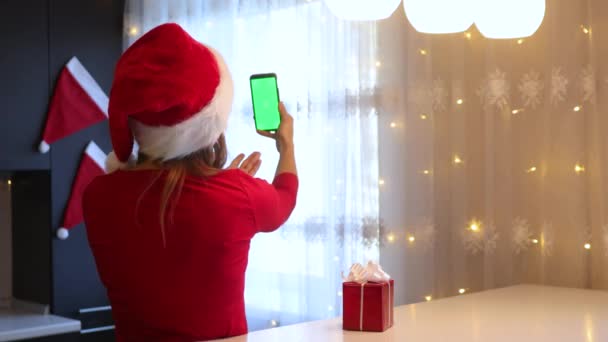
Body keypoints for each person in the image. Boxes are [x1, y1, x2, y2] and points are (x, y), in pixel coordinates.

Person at [82, 23, 298, 341]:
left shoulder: (97, 196)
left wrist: (230, 189)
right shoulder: (237, 196)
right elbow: (285, 196)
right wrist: (286, 146)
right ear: (210, 124)